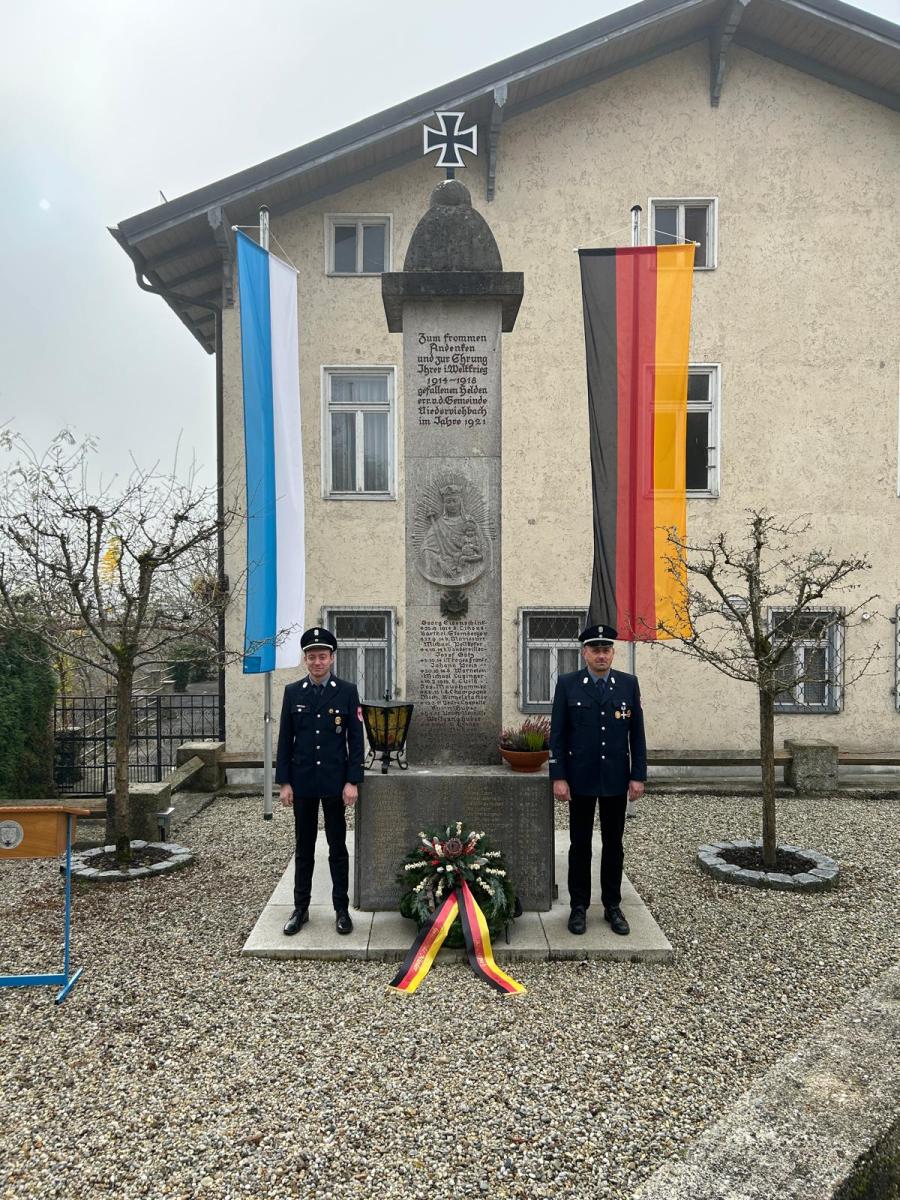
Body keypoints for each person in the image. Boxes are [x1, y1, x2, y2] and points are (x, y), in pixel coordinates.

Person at [549, 623, 646, 936]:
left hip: (616, 779)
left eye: (606, 650)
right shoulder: (568, 684)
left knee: (613, 845)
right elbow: (558, 735)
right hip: (580, 780)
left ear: (613, 653)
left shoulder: (628, 684)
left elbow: (637, 735)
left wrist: (638, 775)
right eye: (595, 650)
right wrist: (558, 776)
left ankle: (612, 905)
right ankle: (579, 906)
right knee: (580, 845)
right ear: (585, 653)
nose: (601, 655)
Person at [275, 626, 365, 936]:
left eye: (322, 656)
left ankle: (341, 909)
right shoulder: (293, 692)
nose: (317, 662)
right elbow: (285, 740)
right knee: (304, 848)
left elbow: (356, 739)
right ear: (305, 659)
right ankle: (301, 909)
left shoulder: (347, 691)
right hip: (303, 783)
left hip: (334, 783)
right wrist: (284, 782)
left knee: (337, 847)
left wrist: (352, 781)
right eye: (312, 656)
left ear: (332, 658)